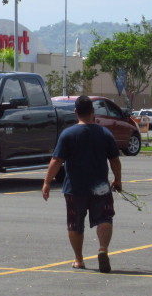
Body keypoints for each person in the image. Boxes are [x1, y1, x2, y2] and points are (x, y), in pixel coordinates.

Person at [42, 95, 123, 273]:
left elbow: (56, 161)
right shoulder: (105, 134)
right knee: (104, 218)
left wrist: (47, 183)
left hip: (75, 188)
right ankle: (102, 249)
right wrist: (118, 179)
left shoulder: (68, 134)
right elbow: (115, 161)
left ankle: (79, 260)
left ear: (75, 112)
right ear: (93, 112)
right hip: (100, 187)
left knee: (75, 224)